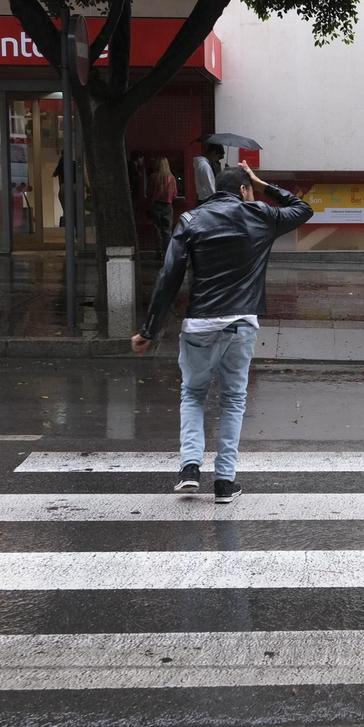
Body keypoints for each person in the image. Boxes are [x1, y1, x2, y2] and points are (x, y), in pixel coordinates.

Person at [132, 161, 312, 502]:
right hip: (241, 323)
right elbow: (303, 209)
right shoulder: (261, 215)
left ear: (215, 191)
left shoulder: (190, 220)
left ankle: (189, 468)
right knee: (233, 401)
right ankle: (225, 482)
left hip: (200, 324)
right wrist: (263, 184)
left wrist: (149, 330)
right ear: (244, 191)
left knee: (193, 395)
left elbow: (168, 277)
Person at [147, 157, 178, 260]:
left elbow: (149, 193)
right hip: (168, 206)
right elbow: (175, 194)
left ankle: (159, 252)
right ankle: (168, 252)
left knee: (157, 230)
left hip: (156, 206)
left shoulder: (153, 176)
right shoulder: (172, 177)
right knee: (167, 230)